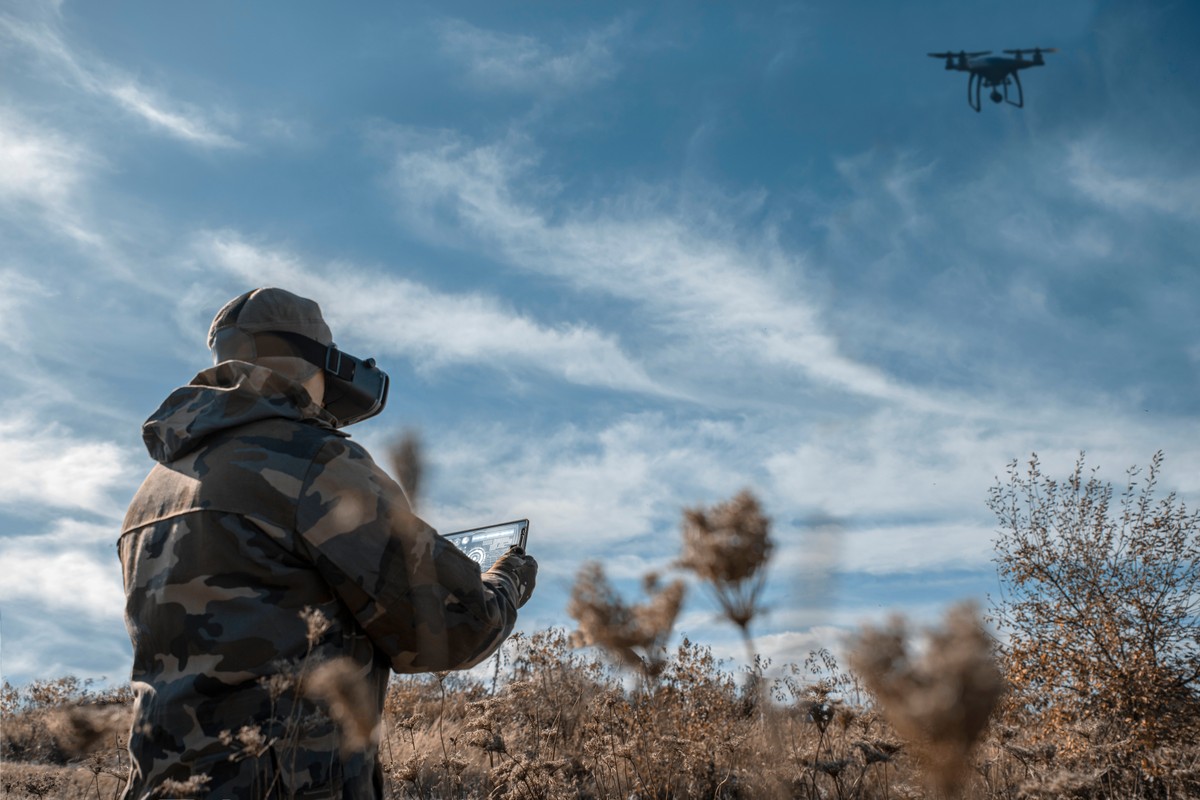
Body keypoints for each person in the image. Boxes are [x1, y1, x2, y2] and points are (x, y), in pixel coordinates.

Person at [118, 287, 537, 800]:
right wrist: (506, 581)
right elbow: (453, 628)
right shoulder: (315, 461)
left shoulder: (151, 493)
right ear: (316, 363)